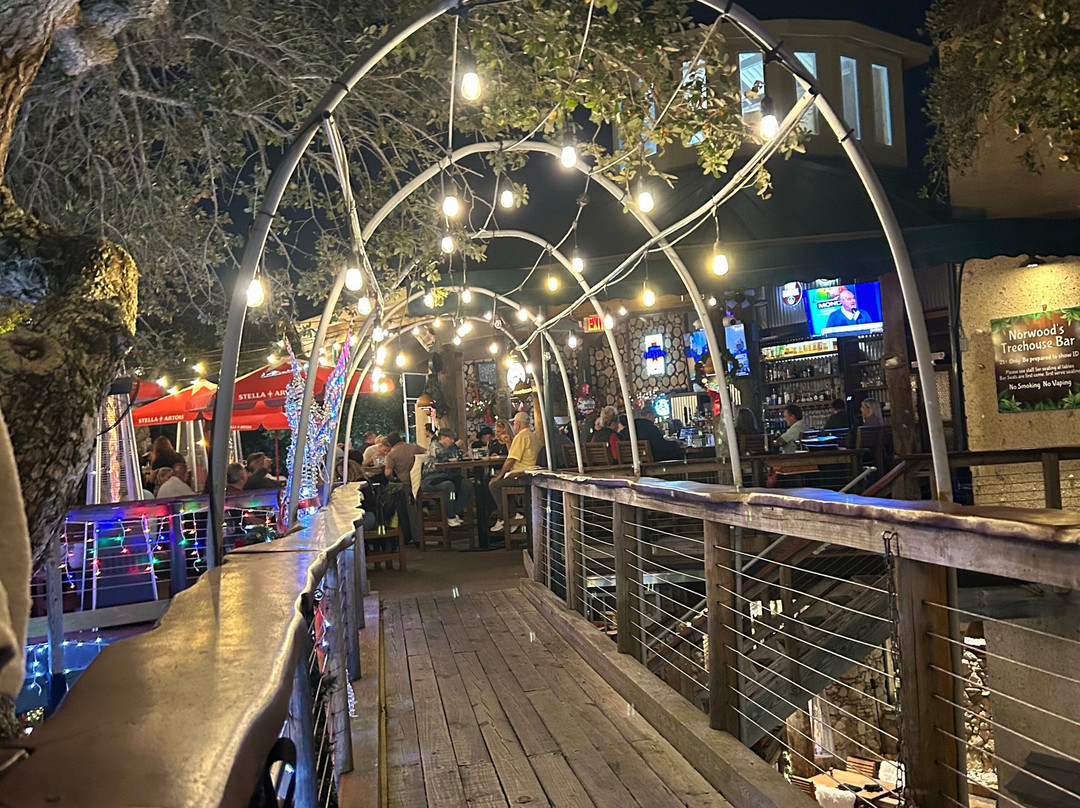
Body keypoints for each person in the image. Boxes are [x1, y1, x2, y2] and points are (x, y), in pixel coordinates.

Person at [489, 412, 539, 532]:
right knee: (503, 484)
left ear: (518, 424)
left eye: (515, 423)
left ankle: (509, 516)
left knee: (494, 485)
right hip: (530, 474)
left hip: (522, 475)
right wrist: (508, 443)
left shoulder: (520, 437)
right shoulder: (531, 435)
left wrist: (499, 476)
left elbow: (511, 460)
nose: (514, 426)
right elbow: (514, 454)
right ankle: (507, 516)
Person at [420, 428, 474, 527]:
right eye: (451, 438)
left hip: (448, 478)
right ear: (443, 438)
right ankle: (450, 516)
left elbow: (455, 459)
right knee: (449, 487)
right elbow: (440, 454)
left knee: (467, 485)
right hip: (431, 479)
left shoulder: (452, 448)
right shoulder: (434, 445)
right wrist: (454, 446)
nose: (453, 441)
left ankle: (455, 512)